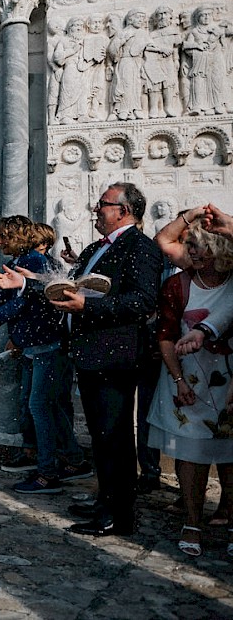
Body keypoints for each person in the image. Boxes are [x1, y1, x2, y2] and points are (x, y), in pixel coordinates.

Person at [0, 183, 162, 535]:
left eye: (102, 204)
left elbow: (143, 302)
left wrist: (88, 306)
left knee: (115, 436)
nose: (95, 209)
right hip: (88, 355)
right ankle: (106, 500)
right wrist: (25, 284)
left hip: (114, 357)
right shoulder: (93, 249)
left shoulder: (140, 247)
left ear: (124, 210)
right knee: (102, 437)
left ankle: (119, 514)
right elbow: (64, 288)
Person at [0, 217, 88, 494]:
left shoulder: (35, 262)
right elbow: (1, 298)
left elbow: (20, 303)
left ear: (18, 237)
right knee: (44, 406)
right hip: (36, 345)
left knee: (40, 407)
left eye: (3, 236)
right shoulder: (26, 261)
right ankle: (68, 460)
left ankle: (47, 474)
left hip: (47, 344)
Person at [147, 219, 233, 557]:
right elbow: (166, 335)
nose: (192, 251)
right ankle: (193, 521)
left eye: (200, 245)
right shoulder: (177, 285)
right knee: (191, 453)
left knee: (230, 457)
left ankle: (229, 519)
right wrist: (179, 380)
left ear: (222, 251)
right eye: (191, 245)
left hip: (229, 381)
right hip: (188, 381)